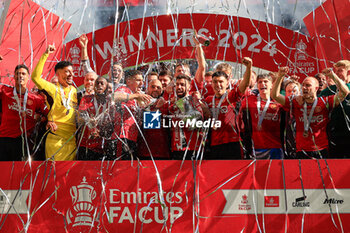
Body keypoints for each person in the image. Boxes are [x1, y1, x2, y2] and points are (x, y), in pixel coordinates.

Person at [272, 66, 349, 159]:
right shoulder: (295, 102)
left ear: (316, 88)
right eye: (303, 85)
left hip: (321, 149)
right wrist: (280, 76)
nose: (304, 87)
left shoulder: (325, 102)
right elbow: (275, 95)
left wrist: (332, 76)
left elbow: (345, 92)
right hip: (301, 150)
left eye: (308, 85)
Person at [32, 45, 78, 161]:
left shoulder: (74, 90)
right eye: (67, 71)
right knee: (53, 173)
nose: (71, 74)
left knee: (67, 175)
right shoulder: (53, 89)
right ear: (58, 74)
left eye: (72, 71)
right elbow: (35, 78)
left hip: (71, 139)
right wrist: (45, 54)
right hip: (55, 137)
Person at [204, 57, 252, 159]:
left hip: (233, 142)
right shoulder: (208, 100)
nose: (218, 85)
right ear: (211, 84)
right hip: (214, 143)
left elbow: (245, 84)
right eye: (215, 82)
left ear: (227, 83)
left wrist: (248, 67)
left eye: (221, 82)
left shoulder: (232, 95)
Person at [0, 64, 48, 161]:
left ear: (28, 77)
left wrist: (39, 118)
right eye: (17, 73)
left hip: (23, 140)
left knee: (19, 172)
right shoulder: (5, 92)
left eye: (23, 74)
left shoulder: (35, 98)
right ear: (14, 76)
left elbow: (47, 115)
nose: (20, 76)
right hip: (4, 138)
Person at [240, 73, 283, 159]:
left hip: (275, 146)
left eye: (265, 82)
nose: (262, 84)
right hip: (257, 147)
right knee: (259, 172)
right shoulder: (250, 100)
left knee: (276, 172)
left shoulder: (279, 102)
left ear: (271, 85)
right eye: (260, 82)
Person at [77, 76, 114, 160]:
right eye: (97, 83)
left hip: (103, 146)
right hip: (85, 144)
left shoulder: (110, 102)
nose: (99, 85)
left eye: (102, 83)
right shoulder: (87, 99)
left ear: (106, 87)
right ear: (94, 86)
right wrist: (88, 121)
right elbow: (80, 117)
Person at [319, 60, 350, 158]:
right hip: (334, 137)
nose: (336, 74)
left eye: (340, 71)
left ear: (348, 72)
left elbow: (346, 90)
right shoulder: (328, 91)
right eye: (335, 71)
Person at [168, 74, 204, 160]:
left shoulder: (194, 101)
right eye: (177, 85)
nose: (179, 87)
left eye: (182, 85)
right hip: (176, 148)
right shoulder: (172, 105)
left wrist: (182, 104)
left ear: (189, 87)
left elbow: (197, 122)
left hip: (192, 148)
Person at [138, 79, 170, 159]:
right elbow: (150, 124)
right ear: (147, 88)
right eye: (153, 87)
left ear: (162, 89)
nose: (156, 89)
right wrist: (156, 108)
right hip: (145, 152)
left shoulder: (166, 104)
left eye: (158, 87)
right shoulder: (140, 103)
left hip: (164, 152)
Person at [77, 34, 98, 105]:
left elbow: (86, 65)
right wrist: (83, 47)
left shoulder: (102, 96)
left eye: (92, 80)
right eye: (87, 80)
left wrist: (84, 48)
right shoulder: (78, 96)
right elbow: (85, 64)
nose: (89, 82)